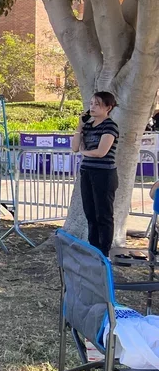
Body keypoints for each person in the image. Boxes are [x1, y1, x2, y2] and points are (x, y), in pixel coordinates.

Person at [71, 91, 120, 256]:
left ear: (108, 107)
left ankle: (104, 251)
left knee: (103, 214)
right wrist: (79, 126)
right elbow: (75, 147)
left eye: (97, 104)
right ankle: (93, 249)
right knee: (90, 213)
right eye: (91, 103)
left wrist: (85, 152)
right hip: (87, 172)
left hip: (104, 174)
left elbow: (101, 152)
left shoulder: (110, 126)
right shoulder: (88, 126)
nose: (92, 107)